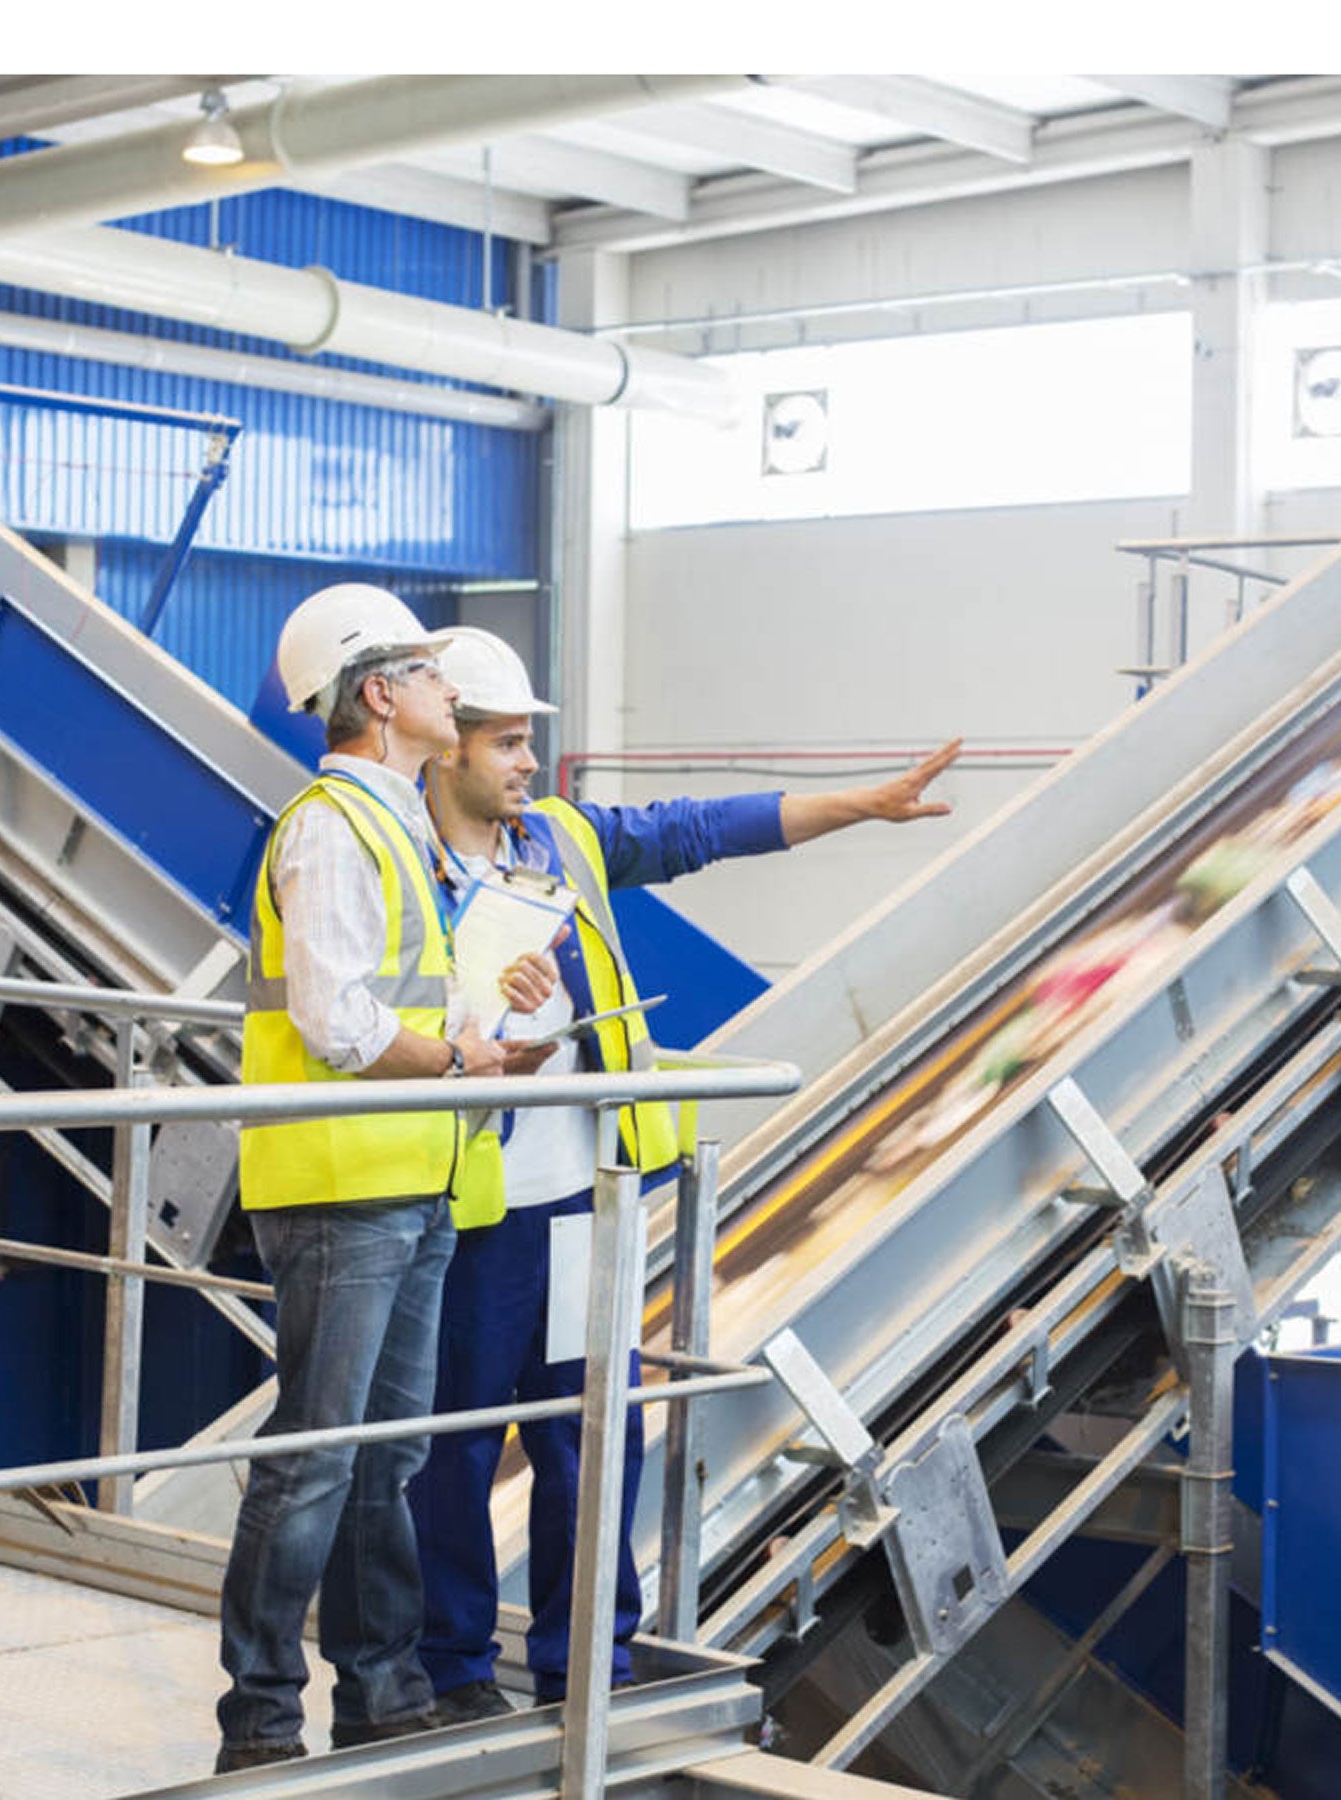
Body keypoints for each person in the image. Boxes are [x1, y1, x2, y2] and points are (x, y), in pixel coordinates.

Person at [409, 626, 961, 1720]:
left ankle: (588, 1668)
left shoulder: (557, 838)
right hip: (470, 1208)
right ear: (445, 745)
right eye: (509, 744)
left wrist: (865, 802)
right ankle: (456, 1674)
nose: (529, 765)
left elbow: (699, 830)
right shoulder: (395, 859)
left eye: (530, 743)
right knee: (453, 1449)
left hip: (581, 1200)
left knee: (587, 1440)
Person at [213, 586, 558, 1772]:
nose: (447, 692)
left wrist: (491, 1016)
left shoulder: (399, 825)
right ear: (378, 696)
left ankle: (379, 1691)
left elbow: (405, 995)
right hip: (339, 1182)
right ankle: (260, 1721)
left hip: (410, 1176)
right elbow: (337, 1020)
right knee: (315, 1454)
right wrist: (458, 1053)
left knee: (388, 1456)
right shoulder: (327, 826)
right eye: (425, 673)